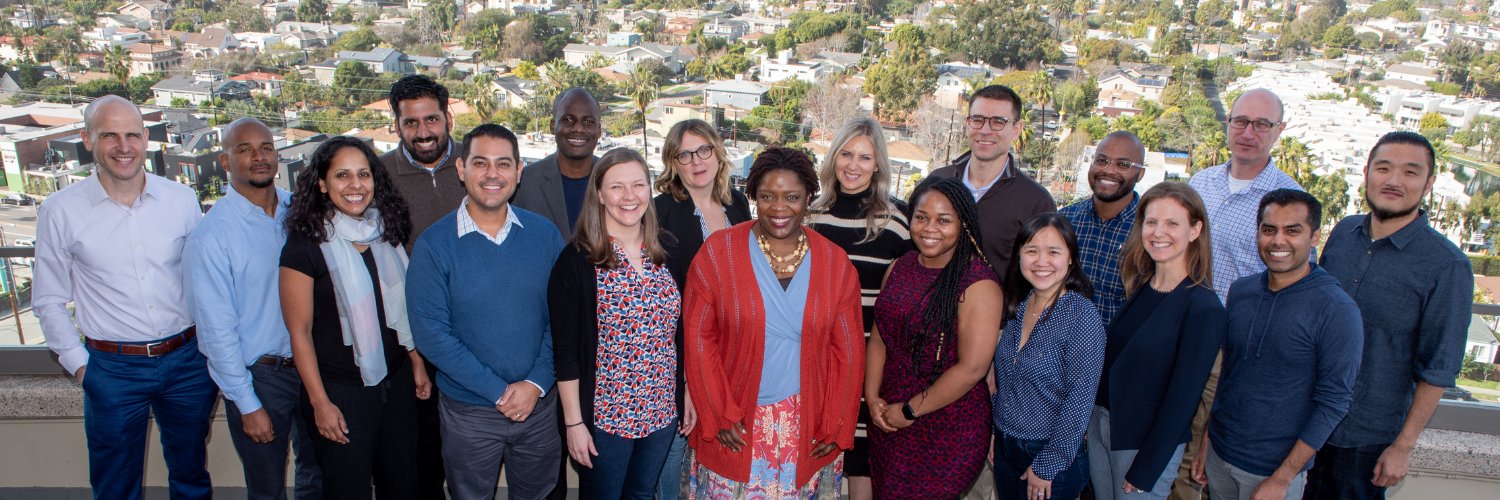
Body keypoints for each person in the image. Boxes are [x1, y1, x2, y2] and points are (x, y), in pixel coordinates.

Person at [35, 95, 218, 499]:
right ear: (87, 139)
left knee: (191, 477)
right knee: (116, 485)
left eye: (133, 135)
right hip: (112, 368)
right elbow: (48, 299)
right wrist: (83, 369)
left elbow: (207, 280)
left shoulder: (181, 200)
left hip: (187, 362)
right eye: (110, 136)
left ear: (146, 139)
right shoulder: (60, 211)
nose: (124, 146)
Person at [683, 147, 865, 496]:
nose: (779, 208)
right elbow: (698, 338)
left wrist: (836, 422)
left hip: (808, 424)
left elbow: (850, 352)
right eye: (767, 196)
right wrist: (717, 411)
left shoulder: (835, 263)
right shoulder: (718, 254)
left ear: (809, 198)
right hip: (736, 420)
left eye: (792, 197)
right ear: (752, 197)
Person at [1306, 131, 1473, 500]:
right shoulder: (1344, 232)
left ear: (1429, 184)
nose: (1394, 181)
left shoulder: (1447, 266)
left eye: (1411, 172)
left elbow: (1438, 368)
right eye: (1384, 168)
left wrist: (1403, 447)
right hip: (1304, 421)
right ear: (1367, 172)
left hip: (1364, 441)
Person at [406, 123, 566, 500]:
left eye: (503, 164)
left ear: (518, 171)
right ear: (461, 170)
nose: (492, 174)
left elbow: (562, 320)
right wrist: (498, 392)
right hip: (469, 413)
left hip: (538, 405)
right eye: (480, 163)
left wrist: (535, 384)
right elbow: (431, 334)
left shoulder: (546, 236)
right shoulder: (433, 246)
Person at [279, 136, 430, 499]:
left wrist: (417, 363)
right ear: (321, 182)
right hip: (341, 392)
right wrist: (320, 403)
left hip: (396, 386)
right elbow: (298, 334)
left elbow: (399, 311)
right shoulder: (304, 245)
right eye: (342, 175)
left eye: (364, 174)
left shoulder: (385, 233)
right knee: (348, 490)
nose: (355, 185)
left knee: (404, 485)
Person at [1189, 189, 1362, 500]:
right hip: (1220, 456)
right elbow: (1230, 373)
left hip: (1273, 472)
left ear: (1315, 236)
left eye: (1292, 230)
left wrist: (1283, 478)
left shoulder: (1336, 309)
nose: (1278, 241)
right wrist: (1206, 443)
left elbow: (1334, 403)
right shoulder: (1241, 291)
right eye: (1269, 229)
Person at [1176, 88, 1303, 500]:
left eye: (1261, 124)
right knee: (1169, 437)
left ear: (1278, 131)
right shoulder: (1201, 183)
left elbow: (1295, 283)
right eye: (1240, 121)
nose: (1248, 132)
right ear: (1227, 125)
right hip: (1181, 332)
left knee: (1202, 455)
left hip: (1232, 347)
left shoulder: (1288, 200)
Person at [185, 117, 320, 499]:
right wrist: (247, 404)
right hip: (261, 378)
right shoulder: (213, 236)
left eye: (265, 148)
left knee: (320, 473)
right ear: (225, 161)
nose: (258, 157)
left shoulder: (300, 213)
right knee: (267, 488)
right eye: (244, 149)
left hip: (313, 366)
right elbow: (214, 331)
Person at [550, 148, 680, 498]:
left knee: (641, 495)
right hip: (607, 418)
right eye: (617, 187)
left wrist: (686, 394)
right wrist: (574, 423)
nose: (629, 197)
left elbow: (677, 335)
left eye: (638, 185)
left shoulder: (665, 250)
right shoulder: (577, 260)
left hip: (661, 412)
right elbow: (565, 354)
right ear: (599, 194)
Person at [1088, 182, 1226, 500]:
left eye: (1172, 223)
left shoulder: (1203, 307)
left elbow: (1183, 401)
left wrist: (1146, 469)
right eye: (1151, 222)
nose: (1158, 232)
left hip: (1142, 446)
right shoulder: (1144, 285)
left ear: (1195, 230)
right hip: (1104, 429)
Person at [866, 176, 1001, 497]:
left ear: (964, 224)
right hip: (888, 415)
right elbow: (879, 338)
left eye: (944, 220)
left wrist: (911, 410)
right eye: (921, 217)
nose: (929, 228)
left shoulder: (978, 283)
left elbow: (972, 368)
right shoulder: (899, 267)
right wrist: (872, 398)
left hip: (948, 426)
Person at [806, 116, 911, 497]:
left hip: (872, 360)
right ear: (833, 158)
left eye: (864, 158)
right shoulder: (811, 217)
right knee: (815, 447)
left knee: (861, 459)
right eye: (846, 154)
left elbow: (906, 299)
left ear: (878, 164)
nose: (853, 165)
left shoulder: (896, 224)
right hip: (817, 357)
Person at [651, 118, 752, 498]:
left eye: (703, 150)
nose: (696, 161)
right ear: (673, 162)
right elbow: (664, 294)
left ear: (718, 151)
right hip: (679, 344)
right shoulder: (660, 211)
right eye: (685, 154)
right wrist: (688, 374)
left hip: (734, 343)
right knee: (677, 443)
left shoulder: (737, 203)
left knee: (723, 437)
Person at [379, 68, 458, 500]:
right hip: (415, 338)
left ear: (447, 118)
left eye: (431, 119)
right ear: (397, 125)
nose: (422, 131)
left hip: (475, 333)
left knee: (467, 449)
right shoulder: (377, 176)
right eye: (411, 122)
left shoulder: (476, 163)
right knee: (423, 450)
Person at [991, 213, 1105, 500]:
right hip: (1006, 448)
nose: (1041, 261)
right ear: (1019, 257)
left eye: (1053, 252)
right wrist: (996, 433)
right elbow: (1005, 384)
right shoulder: (1021, 306)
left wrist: (1048, 465)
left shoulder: (1081, 315)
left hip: (1050, 458)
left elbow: (1080, 398)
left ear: (1070, 258)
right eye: (1031, 251)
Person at [930, 84, 1057, 278]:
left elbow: (1040, 274)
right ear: (967, 123)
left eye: (998, 122)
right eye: (978, 120)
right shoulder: (937, 181)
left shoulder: (1035, 201)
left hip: (993, 307)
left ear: (1016, 129)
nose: (985, 130)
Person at [1060, 131, 1146, 326]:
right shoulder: (1064, 220)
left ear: (1140, 174)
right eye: (1101, 160)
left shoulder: (1150, 231)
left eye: (1123, 165)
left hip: (1120, 351)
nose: (1109, 170)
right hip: (1061, 347)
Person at [514, 87, 602, 234]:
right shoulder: (523, 184)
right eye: (568, 120)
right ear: (552, 126)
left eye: (588, 121)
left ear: (599, 130)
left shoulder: (615, 180)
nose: (578, 128)